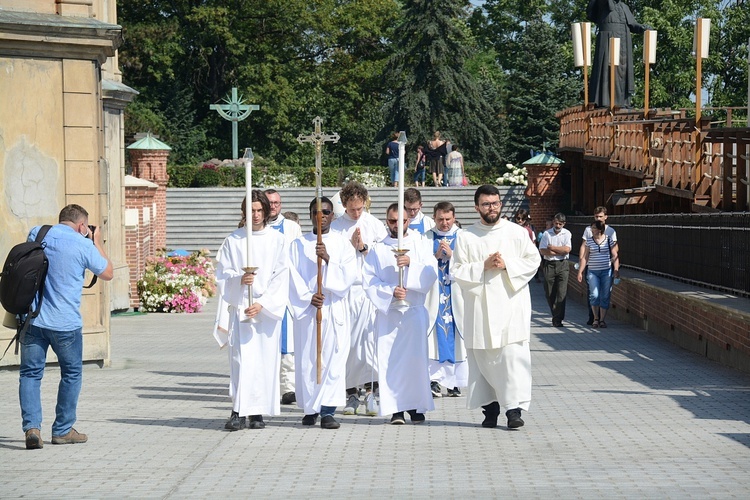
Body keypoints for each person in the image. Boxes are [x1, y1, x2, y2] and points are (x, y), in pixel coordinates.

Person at [19, 204, 114, 449]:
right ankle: (62, 430)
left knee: (30, 374)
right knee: (71, 375)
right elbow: (108, 273)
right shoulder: (84, 245)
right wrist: (96, 241)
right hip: (66, 325)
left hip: (33, 319)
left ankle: (32, 428)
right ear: (82, 226)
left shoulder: (37, 233)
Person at [452, 185, 541, 430]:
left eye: (495, 203)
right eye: (486, 204)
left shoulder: (517, 232)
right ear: (476, 207)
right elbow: (457, 271)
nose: (491, 208)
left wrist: (506, 265)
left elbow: (534, 260)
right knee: (483, 362)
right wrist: (483, 265)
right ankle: (490, 409)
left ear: (500, 204)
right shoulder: (466, 236)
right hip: (480, 308)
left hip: (510, 307)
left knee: (512, 359)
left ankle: (514, 410)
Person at [215, 190, 289, 431]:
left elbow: (282, 275)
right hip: (242, 309)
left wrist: (264, 303)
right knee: (241, 361)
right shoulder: (234, 241)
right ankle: (238, 410)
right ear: (244, 212)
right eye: (251, 211)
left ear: (266, 211)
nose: (255, 215)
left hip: (265, 311)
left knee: (264, 362)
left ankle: (257, 412)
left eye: (259, 210)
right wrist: (239, 279)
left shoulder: (277, 241)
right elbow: (222, 275)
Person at [362, 203, 438, 424]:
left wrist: (411, 264)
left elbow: (431, 272)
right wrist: (390, 292)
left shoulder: (421, 243)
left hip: (413, 312)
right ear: (387, 221)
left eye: (401, 220)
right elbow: (369, 280)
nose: (397, 225)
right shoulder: (377, 249)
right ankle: (395, 408)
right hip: (389, 315)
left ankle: (415, 406)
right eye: (392, 220)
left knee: (416, 361)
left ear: (409, 220)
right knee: (390, 362)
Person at [288, 197, 357, 429]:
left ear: (332, 215)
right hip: (309, 311)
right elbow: (290, 277)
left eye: (326, 212)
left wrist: (328, 259)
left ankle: (327, 410)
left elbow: (349, 276)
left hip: (333, 308)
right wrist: (309, 296)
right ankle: (310, 408)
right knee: (309, 360)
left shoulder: (342, 243)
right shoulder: (297, 245)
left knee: (333, 360)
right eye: (317, 212)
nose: (322, 216)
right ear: (310, 215)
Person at [330, 181, 388, 416]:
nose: (356, 213)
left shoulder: (373, 224)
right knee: (349, 344)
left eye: (360, 208)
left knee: (370, 342)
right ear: (344, 205)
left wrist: (363, 247)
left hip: (367, 291)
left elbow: (384, 256)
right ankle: (351, 392)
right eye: (352, 209)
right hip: (345, 293)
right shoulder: (335, 227)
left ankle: (372, 392)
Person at [263, 189, 302, 406]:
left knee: (288, 341)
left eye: (277, 202)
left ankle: (289, 387)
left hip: (287, 290)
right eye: (271, 202)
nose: (274, 206)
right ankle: (270, 386)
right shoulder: (258, 227)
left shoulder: (292, 228)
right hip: (266, 290)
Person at [425, 202, 467, 398]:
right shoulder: (426, 237)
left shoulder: (463, 237)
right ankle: (434, 380)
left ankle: (455, 382)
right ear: (434, 218)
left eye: (448, 219)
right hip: (434, 294)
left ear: (454, 217)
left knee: (457, 335)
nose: (444, 223)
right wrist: (435, 256)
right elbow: (421, 264)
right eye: (440, 219)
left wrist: (452, 256)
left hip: (455, 295)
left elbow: (470, 264)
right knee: (434, 335)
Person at [587, 0, 652, 108]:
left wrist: (643, 28)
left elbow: (632, 24)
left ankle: (623, 103)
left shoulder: (624, 6)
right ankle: (605, 102)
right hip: (608, 42)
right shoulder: (603, 4)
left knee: (623, 73)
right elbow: (592, 9)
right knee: (608, 72)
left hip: (624, 44)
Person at [579, 206, 619, 325]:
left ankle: (601, 320)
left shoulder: (610, 233)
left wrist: (616, 268)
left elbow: (615, 251)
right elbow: (584, 251)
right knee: (594, 294)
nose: (598, 218)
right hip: (592, 269)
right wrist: (581, 268)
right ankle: (594, 318)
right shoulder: (588, 233)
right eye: (596, 216)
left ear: (605, 217)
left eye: (600, 216)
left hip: (606, 269)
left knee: (605, 294)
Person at [538, 213, 572, 327]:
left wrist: (552, 248)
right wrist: (558, 251)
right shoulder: (547, 233)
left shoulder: (567, 233)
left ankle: (558, 319)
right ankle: (555, 312)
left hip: (563, 264)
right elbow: (542, 250)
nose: (557, 225)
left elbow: (567, 249)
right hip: (549, 264)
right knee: (549, 292)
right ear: (553, 222)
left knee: (561, 293)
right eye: (556, 223)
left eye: (560, 224)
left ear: (564, 224)